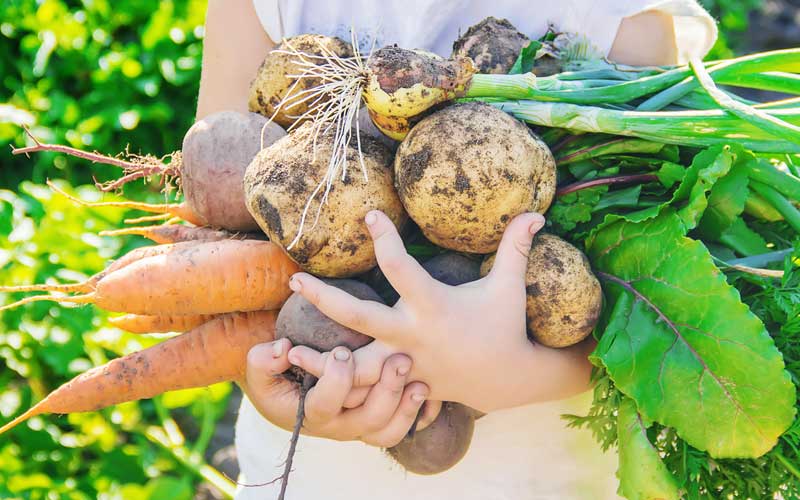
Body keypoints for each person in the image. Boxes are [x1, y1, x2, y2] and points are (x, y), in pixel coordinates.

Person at [195, 2, 718, 499]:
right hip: (314, 470)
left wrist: (511, 372)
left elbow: (646, 309)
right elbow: (217, 216)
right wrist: (274, 387)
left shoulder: (623, 12)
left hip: (536, 469)